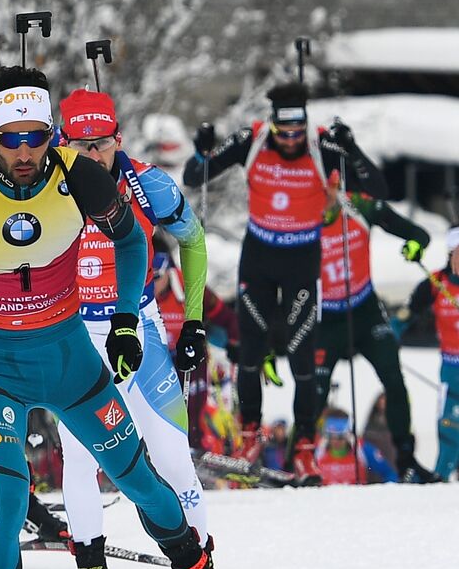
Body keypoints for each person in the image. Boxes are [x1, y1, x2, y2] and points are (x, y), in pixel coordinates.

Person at [0, 64, 265, 569]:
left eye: (37, 136)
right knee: (10, 501)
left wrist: (121, 321)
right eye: (12, 139)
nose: (25, 151)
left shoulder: (79, 176)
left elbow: (133, 240)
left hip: (69, 358)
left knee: (140, 476)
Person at [52, 88, 217, 569]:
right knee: (81, 461)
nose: (91, 156)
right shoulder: (48, 186)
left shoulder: (147, 184)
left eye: (100, 145)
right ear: (62, 142)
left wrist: (192, 320)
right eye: (80, 145)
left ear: (117, 141)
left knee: (172, 458)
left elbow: (192, 240)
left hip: (138, 331)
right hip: (75, 337)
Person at [184, 82, 387, 483]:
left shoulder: (322, 146)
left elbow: (379, 189)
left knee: (301, 357)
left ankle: (306, 447)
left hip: (301, 260)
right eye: (285, 133)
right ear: (274, 126)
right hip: (259, 258)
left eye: (298, 132)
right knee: (250, 351)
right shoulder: (254, 139)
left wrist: (353, 149)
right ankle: (250, 435)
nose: (292, 140)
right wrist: (202, 147)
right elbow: (195, 175)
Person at [312, 187, 439, 482]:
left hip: (364, 308)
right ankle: (299, 458)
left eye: (330, 189)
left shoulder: (357, 206)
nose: (325, 199)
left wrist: (415, 244)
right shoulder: (301, 216)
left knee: (393, 379)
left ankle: (406, 460)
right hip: (327, 317)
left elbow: (418, 233)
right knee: (314, 391)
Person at [152, 242, 240, 451]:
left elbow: (227, 317)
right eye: (148, 279)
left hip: (189, 354)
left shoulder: (186, 285)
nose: (152, 286)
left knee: (192, 402)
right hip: (158, 358)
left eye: (157, 277)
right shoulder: (139, 291)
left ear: (168, 271)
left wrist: (236, 344)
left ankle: (195, 443)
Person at [401, 225, 459, 480]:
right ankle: (442, 478)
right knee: (448, 426)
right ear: (450, 254)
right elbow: (404, 316)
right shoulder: (435, 283)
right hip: (451, 370)